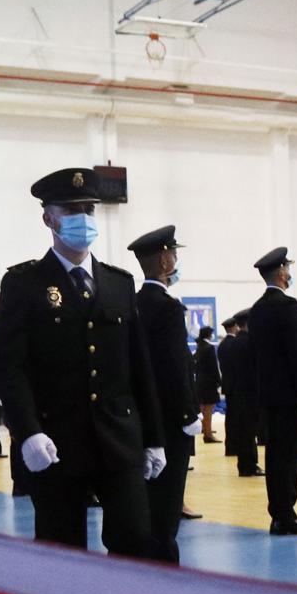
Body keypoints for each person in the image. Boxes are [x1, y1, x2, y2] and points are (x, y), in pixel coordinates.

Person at [0, 165, 164, 556]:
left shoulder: (120, 284)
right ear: (48, 218)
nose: (82, 219)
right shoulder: (24, 284)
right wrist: (27, 431)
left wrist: (154, 437)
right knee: (61, 550)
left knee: (136, 541)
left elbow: (139, 368)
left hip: (118, 438)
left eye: (89, 209)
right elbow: (9, 366)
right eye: (71, 211)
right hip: (56, 440)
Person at [128, 225, 203, 562]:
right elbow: (175, 369)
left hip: (138, 419)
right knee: (167, 506)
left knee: (143, 503)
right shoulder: (169, 308)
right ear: (164, 259)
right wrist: (189, 414)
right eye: (173, 253)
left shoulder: (131, 304)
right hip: (170, 423)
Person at [246, 246, 297, 534]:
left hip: (269, 396)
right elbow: (296, 352)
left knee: (274, 456)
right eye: (287, 268)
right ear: (281, 272)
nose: (290, 273)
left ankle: (278, 513)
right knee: (288, 458)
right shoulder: (288, 307)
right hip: (289, 395)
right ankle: (287, 514)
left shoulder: (257, 310)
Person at [219, 310, 262, 477]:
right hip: (251, 391)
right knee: (250, 430)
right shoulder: (251, 342)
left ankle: (244, 463)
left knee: (242, 428)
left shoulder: (232, 343)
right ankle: (249, 464)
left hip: (236, 390)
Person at [193, 324, 221, 445]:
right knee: (209, 409)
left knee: (202, 408)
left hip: (200, 381)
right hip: (209, 382)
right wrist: (219, 381)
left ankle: (204, 428)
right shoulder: (209, 348)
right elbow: (214, 367)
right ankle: (208, 434)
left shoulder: (199, 347)